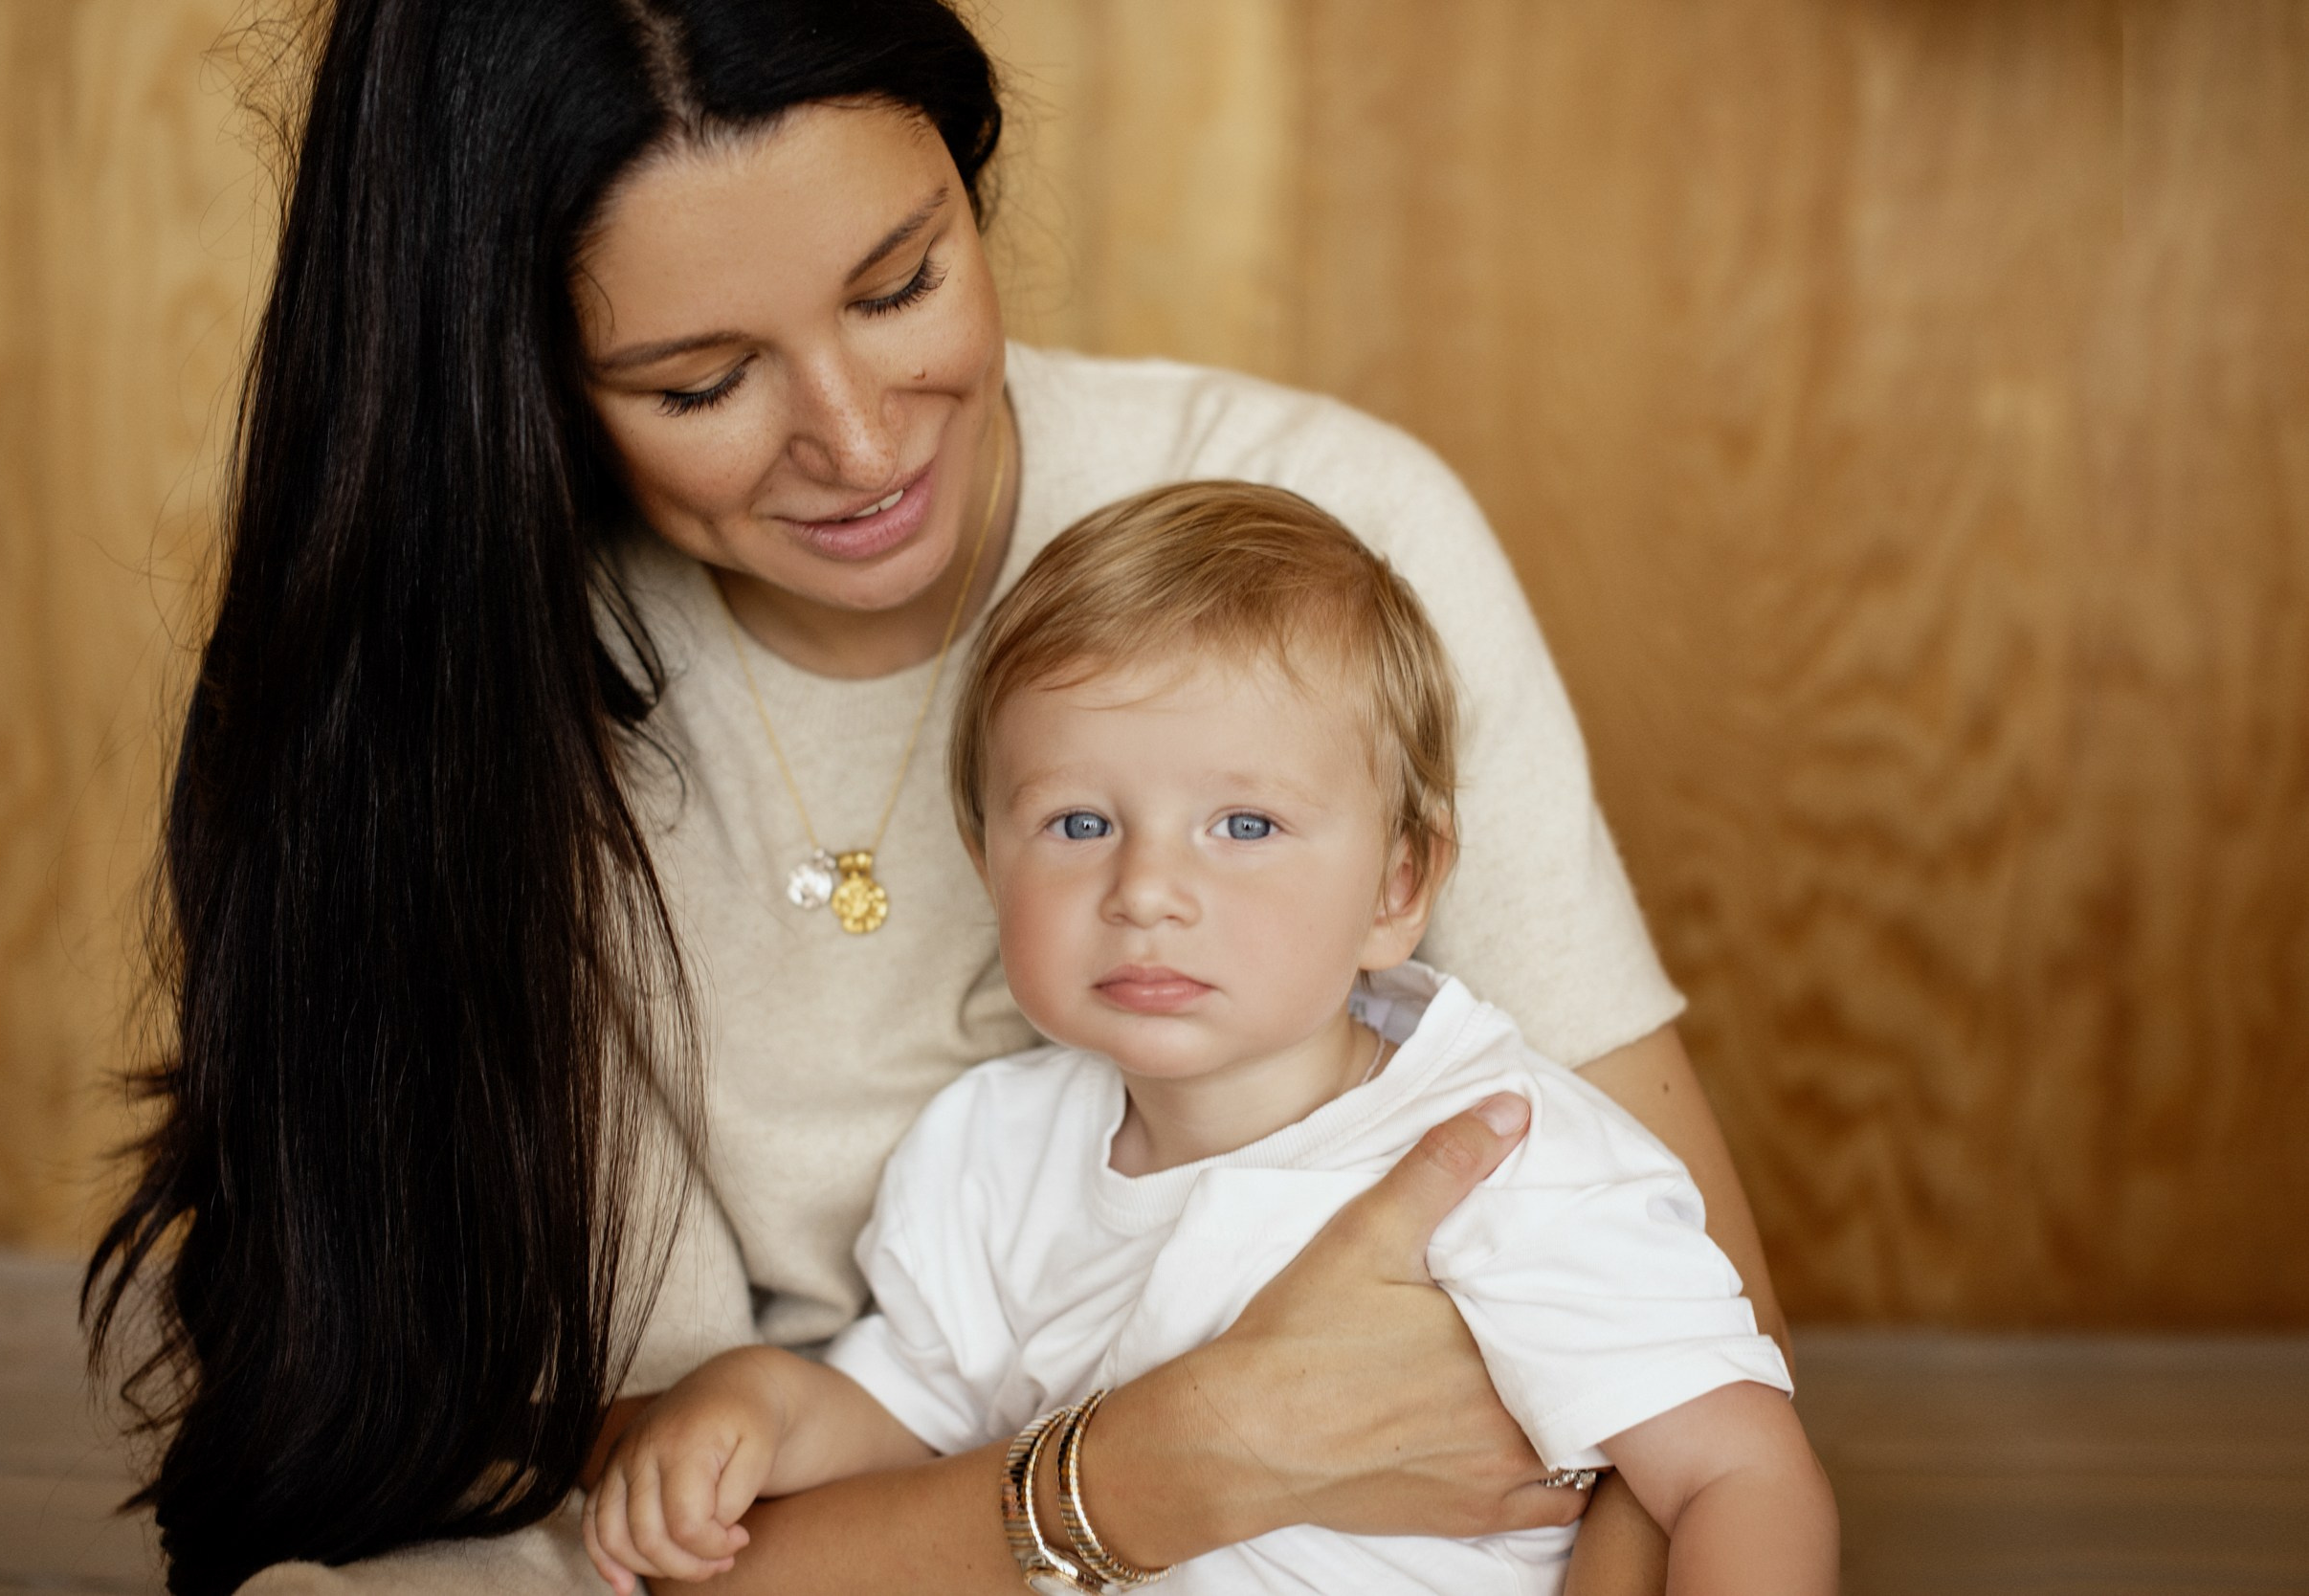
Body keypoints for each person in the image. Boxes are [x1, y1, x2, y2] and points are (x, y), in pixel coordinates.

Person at [84, 2, 1793, 1592]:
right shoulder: (453, 727)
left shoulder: (1323, 539)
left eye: (900, 283)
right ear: (512, 382)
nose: (860, 439)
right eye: (699, 383)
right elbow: (652, 1519)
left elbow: (1699, 1425)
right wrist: (1157, 1468)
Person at [581, 483, 1834, 1596]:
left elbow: (1738, 1476)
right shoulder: (988, 1152)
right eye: (1078, 824)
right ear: (985, 859)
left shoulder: (1510, 1149)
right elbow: (906, 1407)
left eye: (1243, 826)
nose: (1146, 890)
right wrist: (755, 1409)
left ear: (1399, 888)